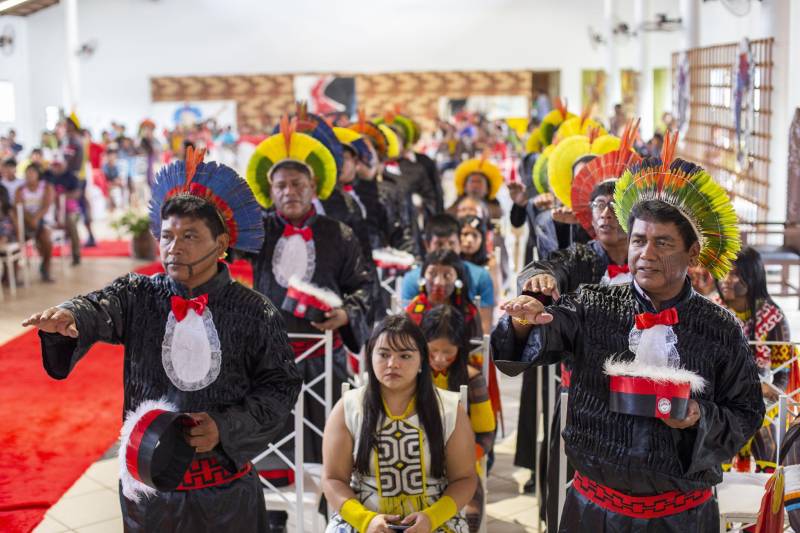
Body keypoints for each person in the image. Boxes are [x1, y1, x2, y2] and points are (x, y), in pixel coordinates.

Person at [22, 148, 302, 532]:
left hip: (226, 495)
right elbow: (98, 305)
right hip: (149, 494)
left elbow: (280, 387)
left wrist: (225, 426)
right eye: (167, 236)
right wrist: (70, 316)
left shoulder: (255, 311)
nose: (174, 247)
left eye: (190, 236)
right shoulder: (139, 294)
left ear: (221, 244)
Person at [492, 141, 764, 531]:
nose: (646, 253)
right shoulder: (591, 304)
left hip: (682, 518)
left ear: (692, 253)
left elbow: (747, 413)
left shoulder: (720, 328)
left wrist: (699, 417)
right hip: (594, 513)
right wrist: (524, 320)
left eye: (663, 242)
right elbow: (539, 340)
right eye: (639, 240)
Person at [246, 119, 373, 532]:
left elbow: (365, 287)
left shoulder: (340, 233)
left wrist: (346, 314)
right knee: (269, 441)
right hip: (268, 359)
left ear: (314, 188)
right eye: (281, 185)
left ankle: (333, 514)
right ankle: (273, 517)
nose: (289, 192)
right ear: (271, 191)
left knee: (330, 444)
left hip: (324, 357)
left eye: (298, 184)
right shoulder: (256, 233)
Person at [513, 124, 640, 529]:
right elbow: (546, 264)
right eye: (598, 205)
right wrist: (539, 283)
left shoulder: (650, 262)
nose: (605, 213)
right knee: (573, 497)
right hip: (582, 395)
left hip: (642, 400)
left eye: (614, 204)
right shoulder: (582, 257)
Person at [322, 314, 477, 533]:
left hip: (435, 518)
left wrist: (432, 518)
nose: (392, 364)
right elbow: (332, 479)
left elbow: (465, 478)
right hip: (364, 517)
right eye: (383, 354)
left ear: (423, 361)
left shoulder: (450, 409)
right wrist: (366, 521)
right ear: (370, 358)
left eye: (405, 356)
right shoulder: (348, 407)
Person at [717, 246, 799, 473]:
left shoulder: (773, 317)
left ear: (751, 275)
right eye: (724, 271)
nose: (726, 279)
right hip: (722, 399)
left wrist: (764, 398)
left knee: (766, 439)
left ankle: (766, 500)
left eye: (734, 273)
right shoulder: (712, 311)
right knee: (718, 436)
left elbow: (782, 374)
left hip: (764, 400)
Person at [421, 306, 495, 532]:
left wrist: (461, 460)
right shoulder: (413, 374)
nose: (439, 359)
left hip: (460, 469)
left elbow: (486, 433)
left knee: (469, 519)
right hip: (417, 463)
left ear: (460, 348)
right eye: (432, 351)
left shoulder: (472, 379)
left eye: (448, 352)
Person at [401, 214, 494, 334]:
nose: (446, 250)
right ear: (427, 245)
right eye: (439, 244)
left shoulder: (481, 277)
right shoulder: (411, 280)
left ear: (460, 243)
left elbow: (483, 337)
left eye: (451, 243)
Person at [405, 249, 482, 340]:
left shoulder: (468, 311)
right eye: (432, 274)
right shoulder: (414, 308)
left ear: (458, 279)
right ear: (423, 276)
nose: (438, 282)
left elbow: (477, 349)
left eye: (447, 275)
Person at [16, 163, 55, 281]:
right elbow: (20, 207)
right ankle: (12, 274)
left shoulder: (46, 187)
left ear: (38, 175)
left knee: (46, 240)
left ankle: (45, 267)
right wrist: (30, 220)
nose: (29, 176)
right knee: (16, 239)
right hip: (26, 221)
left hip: (42, 219)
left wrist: (36, 219)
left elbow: (46, 206)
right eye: (27, 174)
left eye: (32, 173)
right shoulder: (20, 190)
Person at [46, 157, 82, 265]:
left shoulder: (71, 177)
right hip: (50, 210)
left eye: (59, 165)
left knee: (71, 224)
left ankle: (76, 254)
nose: (56, 167)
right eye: (54, 165)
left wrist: (61, 196)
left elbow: (77, 193)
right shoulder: (48, 176)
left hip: (68, 209)